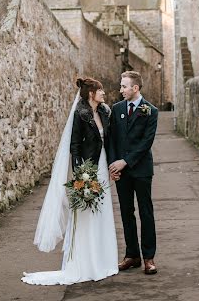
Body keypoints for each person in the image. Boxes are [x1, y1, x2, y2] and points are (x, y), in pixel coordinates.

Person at [21, 77, 118, 286]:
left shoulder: (104, 112)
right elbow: (74, 146)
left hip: (102, 165)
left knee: (102, 210)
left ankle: (103, 260)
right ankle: (85, 263)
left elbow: (109, 140)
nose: (103, 93)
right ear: (90, 94)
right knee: (86, 214)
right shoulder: (80, 114)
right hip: (88, 168)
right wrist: (81, 175)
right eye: (100, 90)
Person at [108, 70, 159, 275]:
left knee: (145, 212)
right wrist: (113, 166)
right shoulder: (117, 108)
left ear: (135, 88)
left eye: (124, 86)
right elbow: (111, 139)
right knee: (126, 212)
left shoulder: (151, 110)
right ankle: (132, 255)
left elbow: (146, 142)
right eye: (121, 86)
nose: (121, 90)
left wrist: (125, 162)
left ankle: (149, 257)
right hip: (121, 172)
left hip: (141, 170)